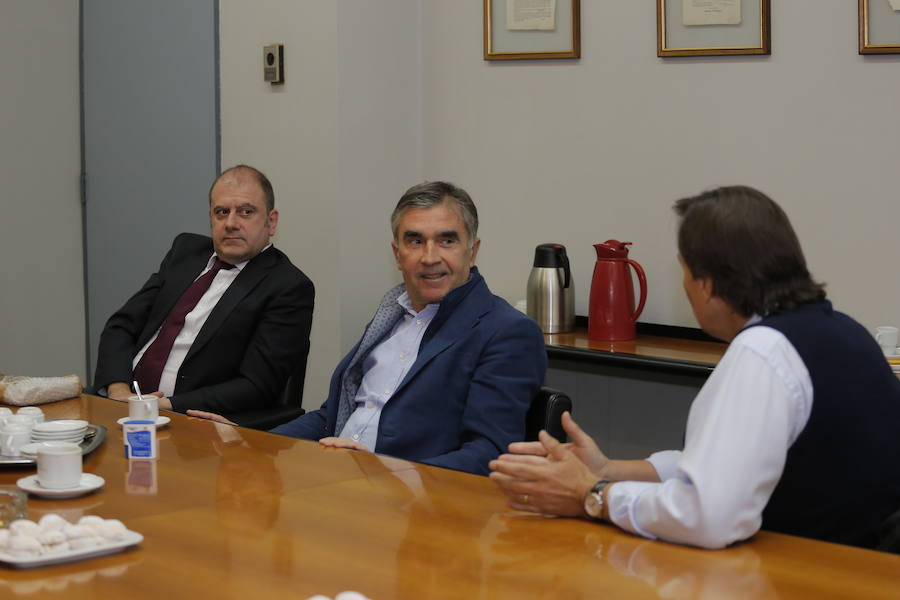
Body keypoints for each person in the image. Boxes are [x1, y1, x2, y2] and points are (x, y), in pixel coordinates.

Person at [490, 185, 900, 550]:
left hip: (814, 576)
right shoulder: (842, 331)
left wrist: (593, 494)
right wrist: (611, 469)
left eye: (684, 273)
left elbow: (709, 516)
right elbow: (725, 466)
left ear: (706, 284)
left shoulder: (763, 351)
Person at [190, 181, 547, 476]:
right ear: (397, 253)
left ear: (473, 251)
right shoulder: (391, 315)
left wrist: (381, 472)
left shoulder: (506, 332)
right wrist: (250, 441)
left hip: (423, 518)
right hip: (338, 485)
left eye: (447, 240)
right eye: (415, 240)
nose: (430, 256)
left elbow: (490, 454)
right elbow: (331, 418)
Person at [93, 165, 314, 422]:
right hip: (122, 407)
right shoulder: (185, 252)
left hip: (191, 422)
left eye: (246, 212)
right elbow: (122, 326)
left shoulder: (287, 286)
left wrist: (160, 405)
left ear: (271, 221)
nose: (231, 223)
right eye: (222, 212)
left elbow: (257, 385)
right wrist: (118, 391)